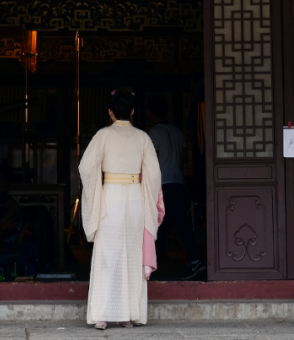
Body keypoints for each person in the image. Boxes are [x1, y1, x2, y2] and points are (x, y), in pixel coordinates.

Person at [79, 90, 161, 329]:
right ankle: (129, 315)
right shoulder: (143, 138)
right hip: (135, 198)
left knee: (108, 256)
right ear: (133, 111)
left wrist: (96, 190)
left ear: (110, 112)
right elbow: (154, 175)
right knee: (132, 255)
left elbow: (86, 167)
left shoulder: (103, 135)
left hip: (110, 197)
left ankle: (102, 315)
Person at [146, 95, 205, 281]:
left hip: (161, 185)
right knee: (178, 223)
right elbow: (185, 159)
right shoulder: (177, 132)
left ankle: (150, 263)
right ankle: (190, 259)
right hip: (178, 182)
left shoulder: (153, 134)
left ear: (150, 112)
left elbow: (150, 161)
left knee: (156, 224)